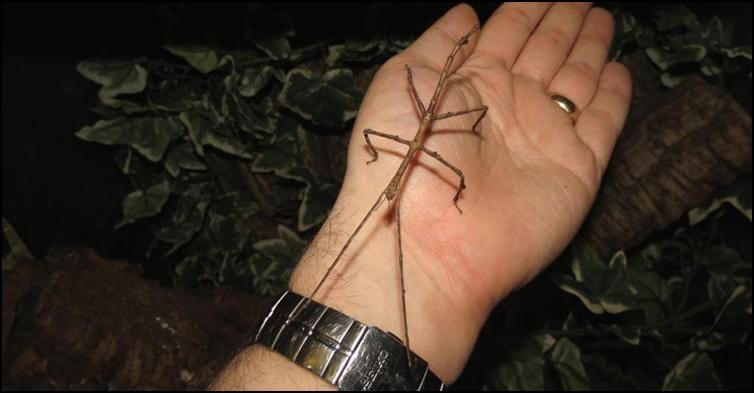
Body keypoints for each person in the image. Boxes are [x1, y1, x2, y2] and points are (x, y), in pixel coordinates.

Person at [210, 2, 631, 389]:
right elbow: (411, 98)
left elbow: (450, 106)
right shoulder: (424, 112)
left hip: (431, 137)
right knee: (378, 230)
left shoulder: (450, 112)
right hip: (420, 146)